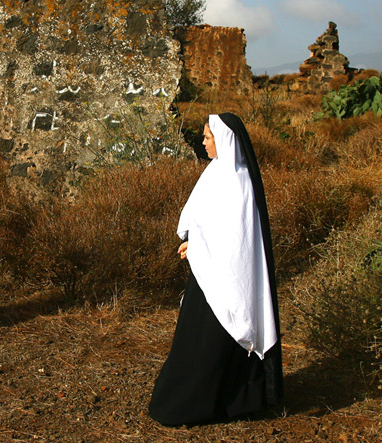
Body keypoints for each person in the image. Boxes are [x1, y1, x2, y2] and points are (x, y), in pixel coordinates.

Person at [148, 113, 283, 426]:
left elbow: (237, 240)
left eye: (208, 137)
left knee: (208, 343)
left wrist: (197, 246)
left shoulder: (239, 180)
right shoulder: (216, 172)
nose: (204, 142)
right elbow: (206, 222)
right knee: (198, 340)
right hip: (208, 272)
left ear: (224, 140)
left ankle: (200, 405)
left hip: (227, 280)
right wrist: (194, 242)